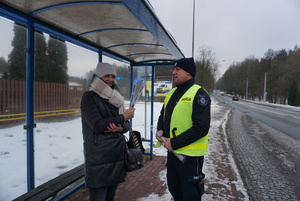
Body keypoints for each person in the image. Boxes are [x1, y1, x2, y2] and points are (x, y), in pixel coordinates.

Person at [156, 57, 211, 201]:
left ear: (188, 73)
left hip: (190, 158)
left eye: (177, 69)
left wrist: (173, 142)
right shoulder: (172, 93)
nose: (173, 72)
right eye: (174, 69)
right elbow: (163, 116)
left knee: (190, 194)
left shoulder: (199, 94)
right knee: (175, 190)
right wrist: (160, 129)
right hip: (173, 155)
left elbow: (201, 128)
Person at [81, 62, 135, 201]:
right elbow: (97, 125)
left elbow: (126, 125)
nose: (110, 79)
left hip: (115, 155)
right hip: (99, 157)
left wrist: (121, 127)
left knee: (110, 197)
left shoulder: (116, 98)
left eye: (113, 76)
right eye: (106, 76)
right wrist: (123, 117)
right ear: (98, 76)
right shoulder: (89, 97)